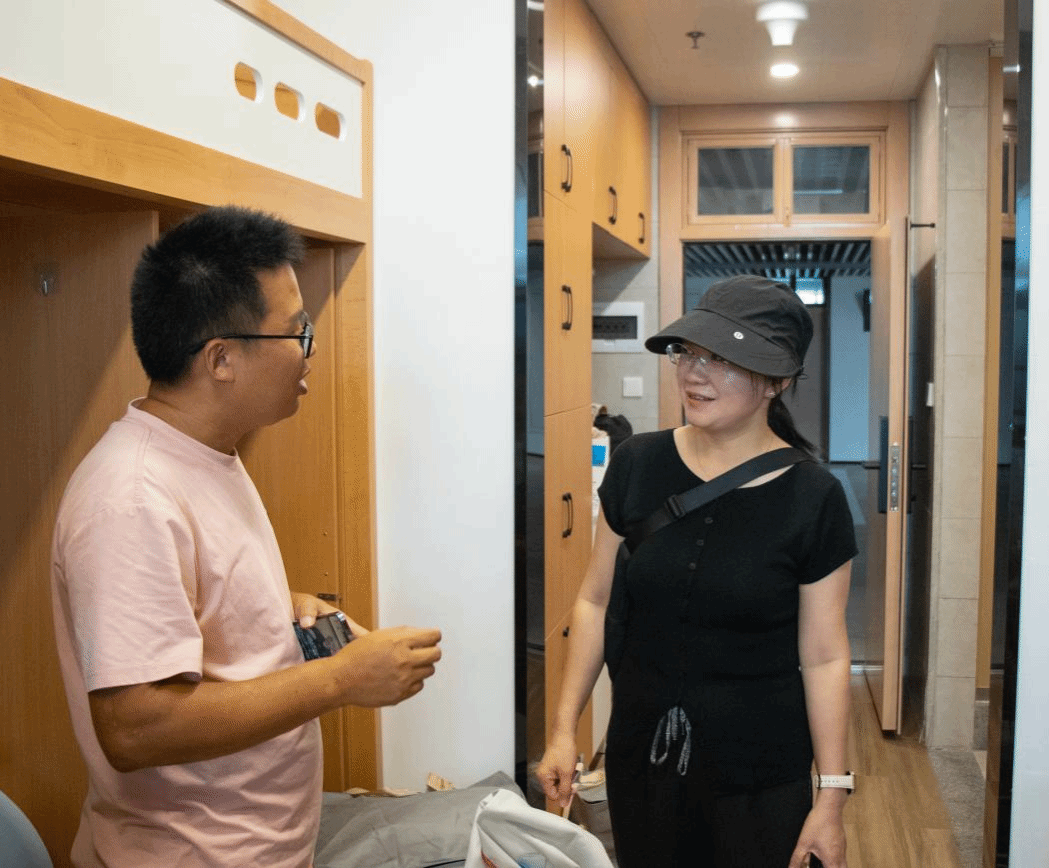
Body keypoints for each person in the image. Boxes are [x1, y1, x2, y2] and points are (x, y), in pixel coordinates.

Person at [50, 205, 443, 868]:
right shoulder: (131, 496)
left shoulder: (207, 454)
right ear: (222, 358)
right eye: (296, 331)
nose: (309, 349)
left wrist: (277, 611)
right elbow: (136, 727)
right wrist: (340, 679)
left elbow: (190, 607)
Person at [536, 275, 857, 868]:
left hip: (759, 776)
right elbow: (595, 601)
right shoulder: (637, 463)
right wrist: (563, 730)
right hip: (642, 760)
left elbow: (825, 657)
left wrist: (831, 797)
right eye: (689, 353)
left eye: (725, 359)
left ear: (778, 381)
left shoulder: (814, 498)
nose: (695, 373)